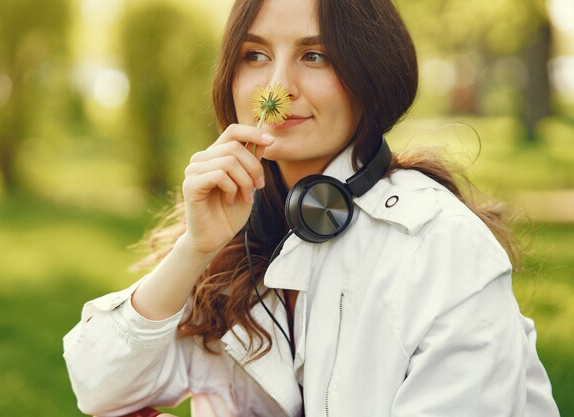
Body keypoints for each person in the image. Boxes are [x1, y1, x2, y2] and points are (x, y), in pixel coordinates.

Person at [63, 0, 561, 416]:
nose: (276, 88)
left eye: (315, 56)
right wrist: (194, 249)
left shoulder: (440, 246)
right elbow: (99, 385)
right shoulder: (239, 241)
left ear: (369, 75)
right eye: (254, 55)